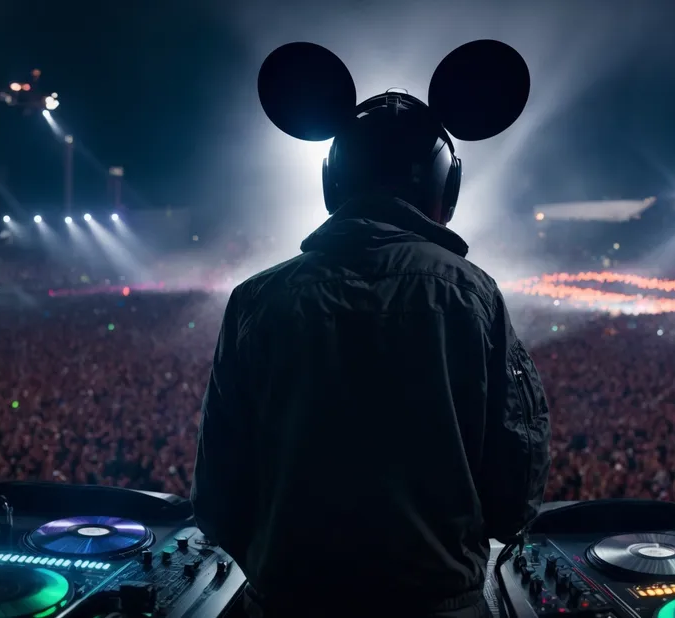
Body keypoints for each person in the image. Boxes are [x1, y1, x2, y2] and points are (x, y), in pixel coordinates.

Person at [191, 42, 550, 618]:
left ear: (334, 184)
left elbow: (216, 498)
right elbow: (515, 494)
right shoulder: (473, 295)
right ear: (446, 188)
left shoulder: (257, 301)